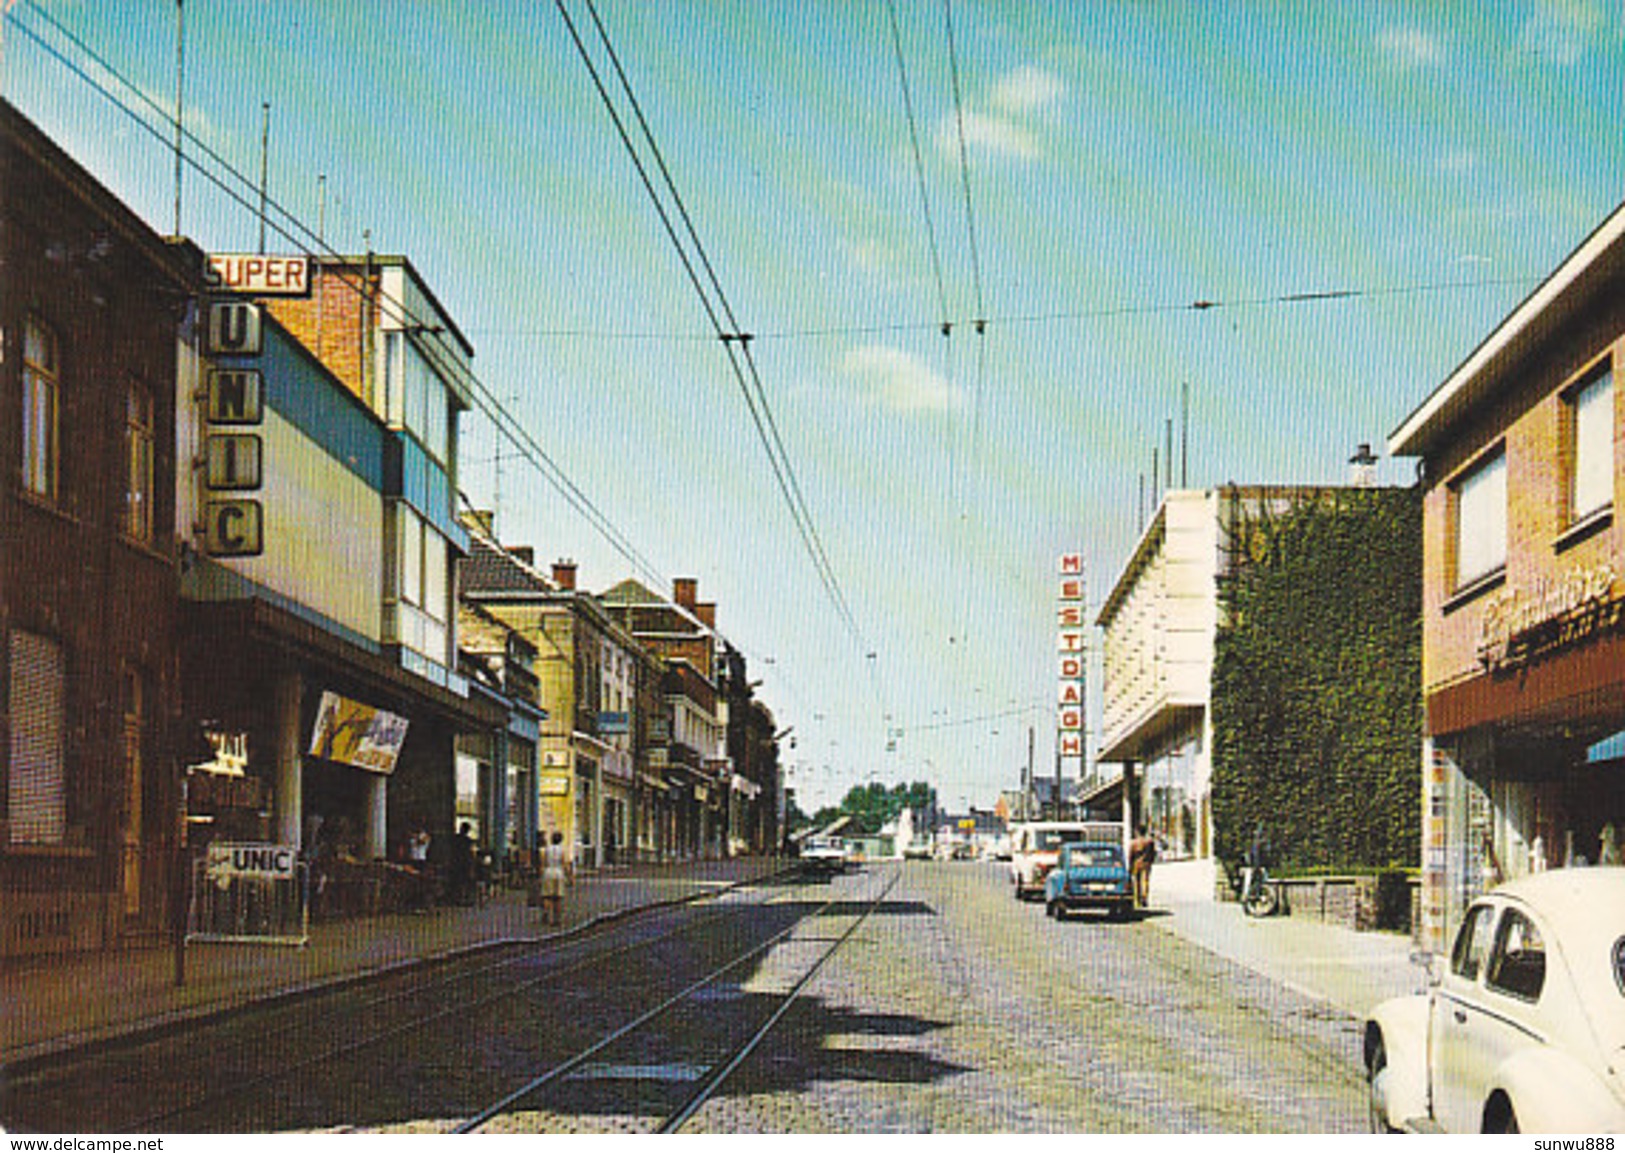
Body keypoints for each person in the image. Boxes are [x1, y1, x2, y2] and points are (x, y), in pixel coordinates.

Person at [540, 830, 572, 928]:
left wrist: (541, 874)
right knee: (557, 897)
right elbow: (564, 863)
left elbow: (543, 863)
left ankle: (545, 913)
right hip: (558, 873)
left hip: (548, 872)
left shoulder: (547, 849)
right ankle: (556, 919)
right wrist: (569, 875)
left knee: (547, 896)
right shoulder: (562, 850)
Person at [1128, 825, 1157, 908]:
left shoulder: (1134, 843)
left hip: (1136, 864)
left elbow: (1131, 855)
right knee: (1145, 881)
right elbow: (1153, 853)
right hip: (1146, 863)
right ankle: (1144, 897)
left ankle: (1137, 900)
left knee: (1136, 883)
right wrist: (1150, 861)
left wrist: (1130, 866)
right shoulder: (1149, 842)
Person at [448, 822, 476, 905]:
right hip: (465, 863)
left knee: (456, 881)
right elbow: (472, 853)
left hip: (455, 862)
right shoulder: (468, 841)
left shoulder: (454, 839)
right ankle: (464, 899)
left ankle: (456, 898)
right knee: (465, 881)